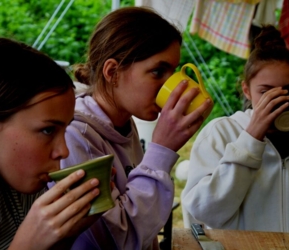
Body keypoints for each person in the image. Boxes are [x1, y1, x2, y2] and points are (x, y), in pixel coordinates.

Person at [57, 6, 212, 250]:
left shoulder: (123, 122)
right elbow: (116, 240)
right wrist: (162, 150)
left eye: (172, 72)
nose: (170, 86)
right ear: (112, 72)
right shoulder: (76, 135)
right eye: (158, 71)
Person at [182, 25, 289, 250]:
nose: (278, 101)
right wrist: (251, 139)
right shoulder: (221, 134)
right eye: (266, 92)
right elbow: (207, 213)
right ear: (246, 90)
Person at [0, 37, 102, 249]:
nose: (64, 151)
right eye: (48, 130)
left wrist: (66, 233)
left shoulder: (18, 185)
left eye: (64, 130)